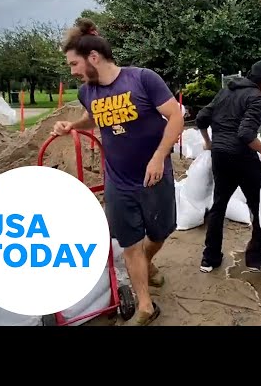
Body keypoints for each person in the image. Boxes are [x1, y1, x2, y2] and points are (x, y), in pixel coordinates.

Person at [51, 18, 184, 326]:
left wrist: (158, 158)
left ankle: (148, 264)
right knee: (129, 243)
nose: (72, 70)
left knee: (161, 232)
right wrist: (72, 125)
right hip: (118, 180)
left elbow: (175, 117)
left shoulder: (143, 79)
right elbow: (93, 119)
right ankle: (146, 306)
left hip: (154, 175)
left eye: (74, 63)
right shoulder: (88, 92)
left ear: (93, 58)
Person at [196, 60, 261, 273]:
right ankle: (256, 256)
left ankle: (210, 258)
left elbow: (201, 118)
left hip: (220, 156)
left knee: (219, 206)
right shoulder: (257, 98)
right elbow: (245, 134)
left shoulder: (226, 91)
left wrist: (209, 142)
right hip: (242, 157)